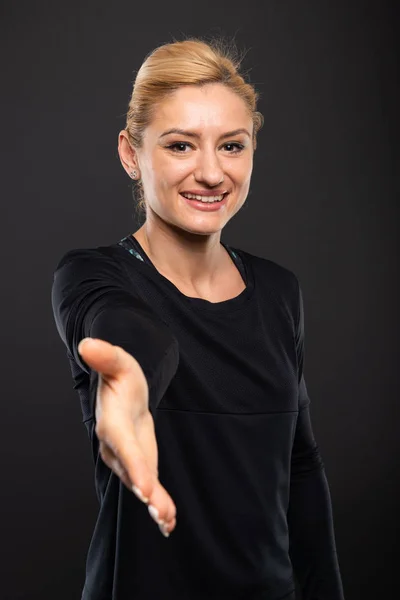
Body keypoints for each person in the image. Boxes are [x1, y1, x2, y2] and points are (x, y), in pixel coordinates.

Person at [51, 37, 345, 600]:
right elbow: (135, 333)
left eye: (232, 146)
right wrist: (130, 383)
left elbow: (301, 468)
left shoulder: (280, 290)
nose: (211, 173)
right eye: (181, 146)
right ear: (131, 154)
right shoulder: (92, 275)